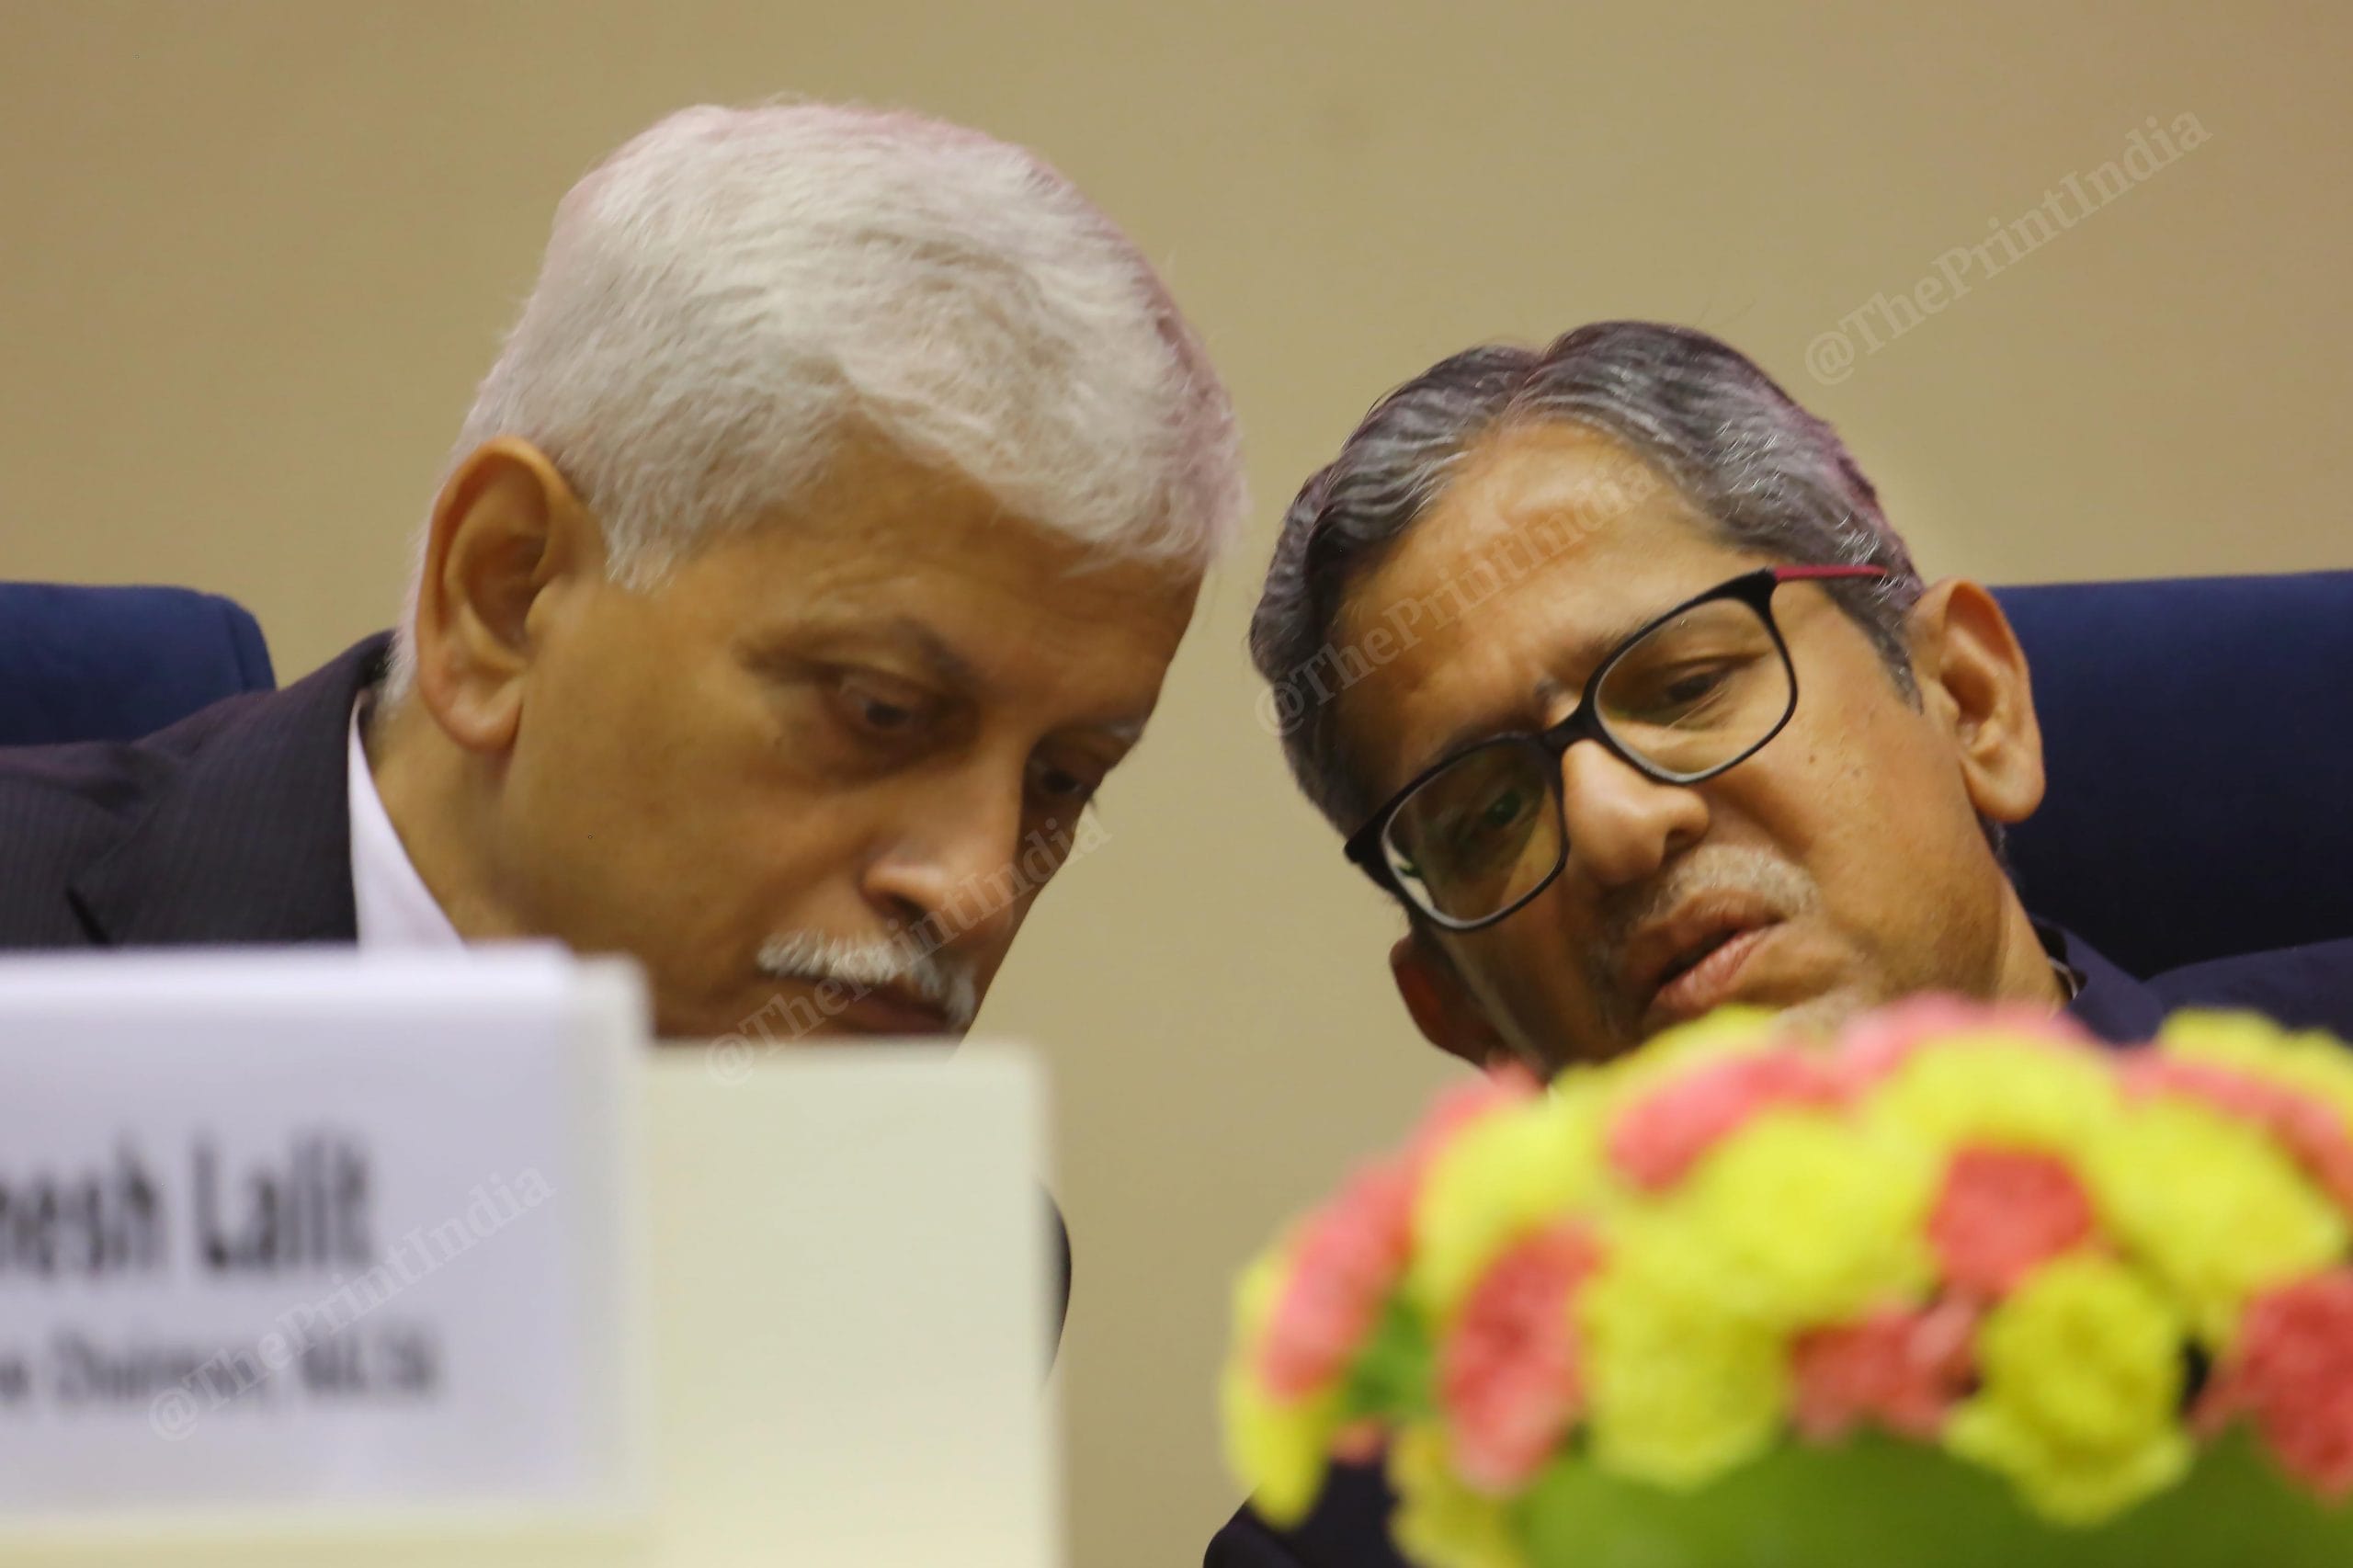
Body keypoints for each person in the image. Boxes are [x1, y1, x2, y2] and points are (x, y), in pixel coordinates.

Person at [1210, 320, 2353, 1566]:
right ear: (1464, 1013)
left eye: (1687, 683)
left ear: (1972, 701)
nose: (1612, 822)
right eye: (1485, 813)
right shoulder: (1392, 1534)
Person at [0, 101, 1244, 1051]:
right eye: (879, 712)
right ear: (503, 596)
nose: (978, 888)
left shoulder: (927, 1268)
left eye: (1063, 781)